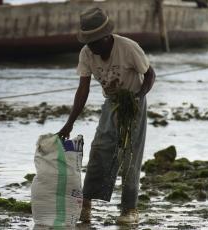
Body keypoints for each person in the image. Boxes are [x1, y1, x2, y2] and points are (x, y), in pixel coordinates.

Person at [58, 7, 156, 225]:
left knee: (130, 154)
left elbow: (149, 74)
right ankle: (86, 205)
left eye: (95, 42)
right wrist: (69, 123)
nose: (92, 47)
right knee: (100, 149)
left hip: (133, 101)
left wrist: (139, 97)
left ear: (106, 37)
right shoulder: (86, 53)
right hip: (111, 104)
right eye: (88, 42)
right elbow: (83, 89)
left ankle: (130, 209)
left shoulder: (128, 48)